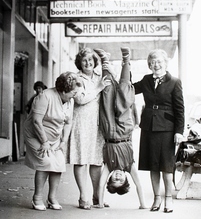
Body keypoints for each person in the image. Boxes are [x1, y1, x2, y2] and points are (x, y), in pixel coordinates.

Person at [92, 47, 146, 209]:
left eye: (114, 179)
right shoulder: (129, 165)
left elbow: (101, 185)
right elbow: (139, 186)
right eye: (120, 180)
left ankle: (104, 61)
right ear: (125, 178)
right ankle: (126, 60)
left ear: (110, 178)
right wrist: (143, 205)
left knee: (107, 91)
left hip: (108, 130)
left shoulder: (109, 166)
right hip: (124, 130)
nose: (117, 176)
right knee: (123, 92)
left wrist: (100, 204)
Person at [133, 49, 185, 213]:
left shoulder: (174, 82)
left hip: (167, 130)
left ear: (165, 63)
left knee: (166, 166)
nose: (156, 65)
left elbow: (180, 109)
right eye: (153, 62)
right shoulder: (147, 80)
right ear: (149, 65)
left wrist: (179, 131)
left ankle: (168, 199)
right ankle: (156, 199)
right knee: (152, 165)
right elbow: (130, 89)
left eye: (159, 62)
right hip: (148, 127)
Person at [24, 72, 84, 211]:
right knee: (46, 161)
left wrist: (63, 140)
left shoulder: (69, 100)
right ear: (63, 91)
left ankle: (52, 198)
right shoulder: (45, 96)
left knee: (58, 162)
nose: (75, 95)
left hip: (54, 137)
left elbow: (68, 122)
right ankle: (37, 198)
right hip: (35, 134)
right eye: (73, 92)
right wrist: (44, 141)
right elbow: (36, 121)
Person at [67, 47, 111, 210]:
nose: (88, 63)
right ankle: (83, 197)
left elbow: (113, 78)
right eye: (84, 60)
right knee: (81, 160)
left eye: (90, 60)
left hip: (97, 125)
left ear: (95, 62)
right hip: (82, 124)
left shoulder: (99, 76)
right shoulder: (77, 78)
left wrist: (107, 59)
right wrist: (98, 88)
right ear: (80, 63)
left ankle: (96, 195)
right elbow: (79, 99)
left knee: (96, 161)